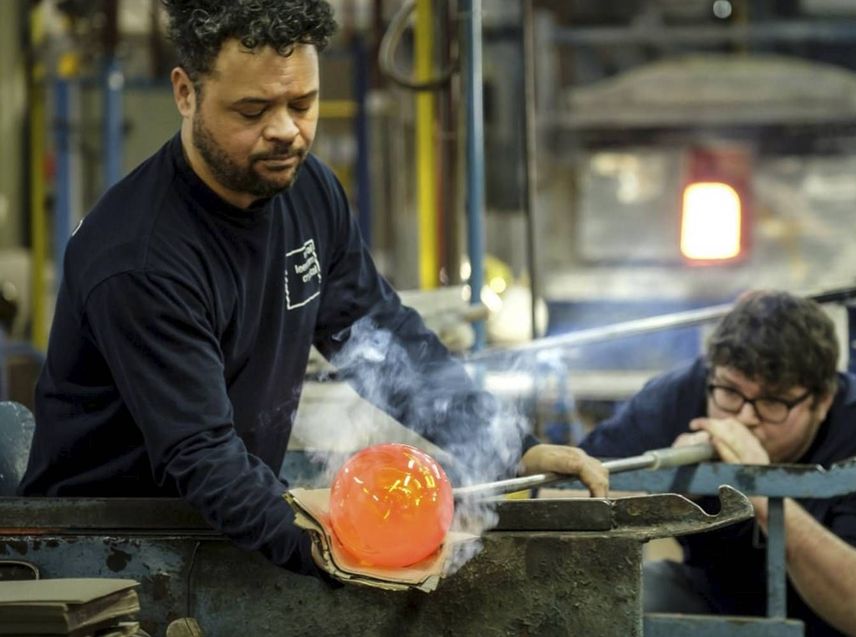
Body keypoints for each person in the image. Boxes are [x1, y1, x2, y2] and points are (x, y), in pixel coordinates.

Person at [18, 0, 607, 581]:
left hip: (213, 522)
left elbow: (381, 338)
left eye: (303, 103)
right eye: (252, 110)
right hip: (103, 547)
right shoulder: (141, 259)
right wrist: (342, 555)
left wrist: (511, 447)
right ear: (185, 92)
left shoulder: (306, 190)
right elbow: (201, 456)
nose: (284, 131)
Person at [580, 291, 856, 636]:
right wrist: (655, 489)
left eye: (773, 403)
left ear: (823, 400)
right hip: (723, 601)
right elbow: (567, 493)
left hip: (836, 626)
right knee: (618, 600)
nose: (745, 418)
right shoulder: (683, 394)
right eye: (731, 393)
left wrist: (760, 490)